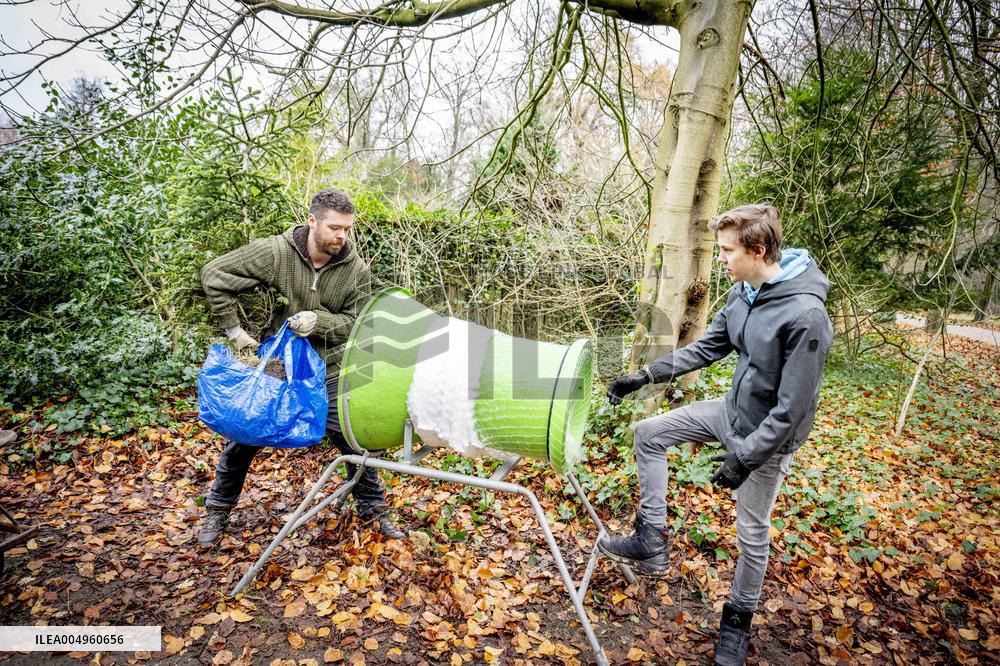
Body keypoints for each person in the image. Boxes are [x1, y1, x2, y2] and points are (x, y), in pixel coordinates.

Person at [598, 205, 833, 666]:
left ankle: (736, 623)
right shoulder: (744, 293)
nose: (721, 259)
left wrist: (745, 458)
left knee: (751, 534)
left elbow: (793, 409)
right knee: (649, 434)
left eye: (727, 251)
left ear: (758, 250)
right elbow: (708, 348)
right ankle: (651, 538)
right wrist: (645, 376)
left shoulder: (806, 315)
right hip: (729, 413)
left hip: (767, 439)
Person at [197, 188, 405, 545]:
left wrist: (319, 321)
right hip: (277, 364)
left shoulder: (355, 269)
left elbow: (358, 321)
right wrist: (235, 332)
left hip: (329, 365)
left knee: (350, 435)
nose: (342, 236)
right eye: (334, 227)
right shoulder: (276, 253)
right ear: (312, 221)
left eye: (347, 229)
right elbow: (215, 274)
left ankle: (374, 510)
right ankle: (217, 511)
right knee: (245, 433)